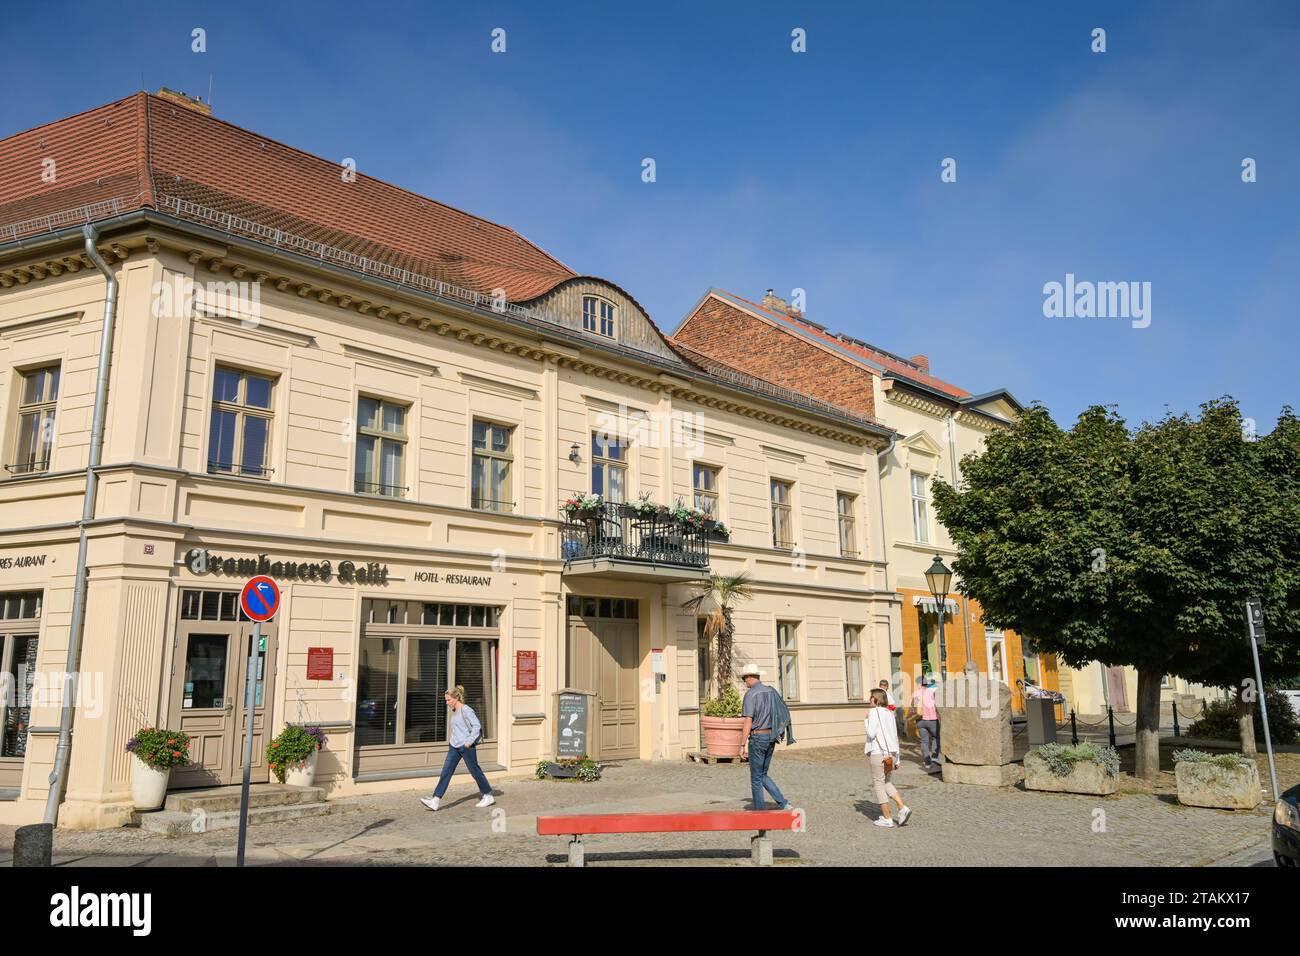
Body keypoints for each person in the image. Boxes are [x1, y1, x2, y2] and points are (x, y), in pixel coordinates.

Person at [420, 686, 496, 810]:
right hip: (454, 746)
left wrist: (469, 742)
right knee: (446, 772)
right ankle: (435, 800)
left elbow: (477, 726)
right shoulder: (454, 710)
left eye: (448, 700)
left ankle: (488, 795)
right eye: (446, 700)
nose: (447, 702)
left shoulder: (466, 710)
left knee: (475, 771)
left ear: (456, 698)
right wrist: (452, 741)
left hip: (466, 747)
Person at [738, 663, 791, 811]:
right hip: (771, 736)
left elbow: (748, 720)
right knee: (763, 774)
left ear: (749, 677)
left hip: (757, 738)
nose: (744, 682)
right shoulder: (770, 691)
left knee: (756, 777)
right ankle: (784, 803)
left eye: (744, 679)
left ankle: (760, 813)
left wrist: (742, 745)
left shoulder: (750, 695)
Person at [865, 688, 911, 828]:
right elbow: (894, 736)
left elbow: (871, 734)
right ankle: (902, 808)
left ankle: (887, 818)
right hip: (891, 754)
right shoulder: (890, 714)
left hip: (879, 753)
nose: (869, 700)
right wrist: (897, 759)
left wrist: (866, 721)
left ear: (876, 699)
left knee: (878, 784)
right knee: (886, 782)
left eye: (871, 697)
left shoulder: (874, 712)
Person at [910, 673, 941, 771]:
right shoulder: (932, 692)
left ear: (919, 684)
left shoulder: (915, 693)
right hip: (932, 719)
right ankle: (935, 757)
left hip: (920, 720)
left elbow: (912, 708)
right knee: (936, 737)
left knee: (924, 741)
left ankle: (927, 763)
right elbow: (938, 706)